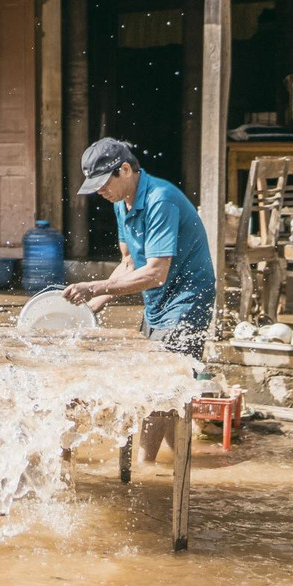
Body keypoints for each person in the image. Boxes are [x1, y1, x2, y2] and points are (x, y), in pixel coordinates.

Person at [61, 138, 216, 461]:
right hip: (157, 301)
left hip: (187, 299)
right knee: (167, 388)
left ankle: (146, 470)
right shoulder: (121, 203)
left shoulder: (161, 200)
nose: (100, 193)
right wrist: (93, 306)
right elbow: (130, 262)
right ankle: (184, 464)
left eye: (103, 184)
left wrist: (97, 287)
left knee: (159, 389)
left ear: (126, 170)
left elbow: (156, 272)